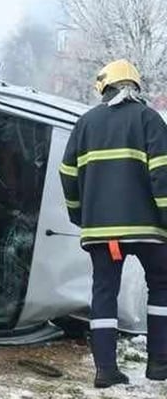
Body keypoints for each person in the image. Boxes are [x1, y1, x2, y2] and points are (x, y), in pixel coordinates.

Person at [60, 59, 167, 388]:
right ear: (135, 87)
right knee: (162, 288)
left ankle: (105, 370)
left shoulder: (86, 123)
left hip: (101, 233)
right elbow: (161, 173)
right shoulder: (150, 119)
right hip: (148, 230)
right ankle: (159, 366)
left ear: (104, 89)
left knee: (104, 293)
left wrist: (81, 217)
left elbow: (68, 175)